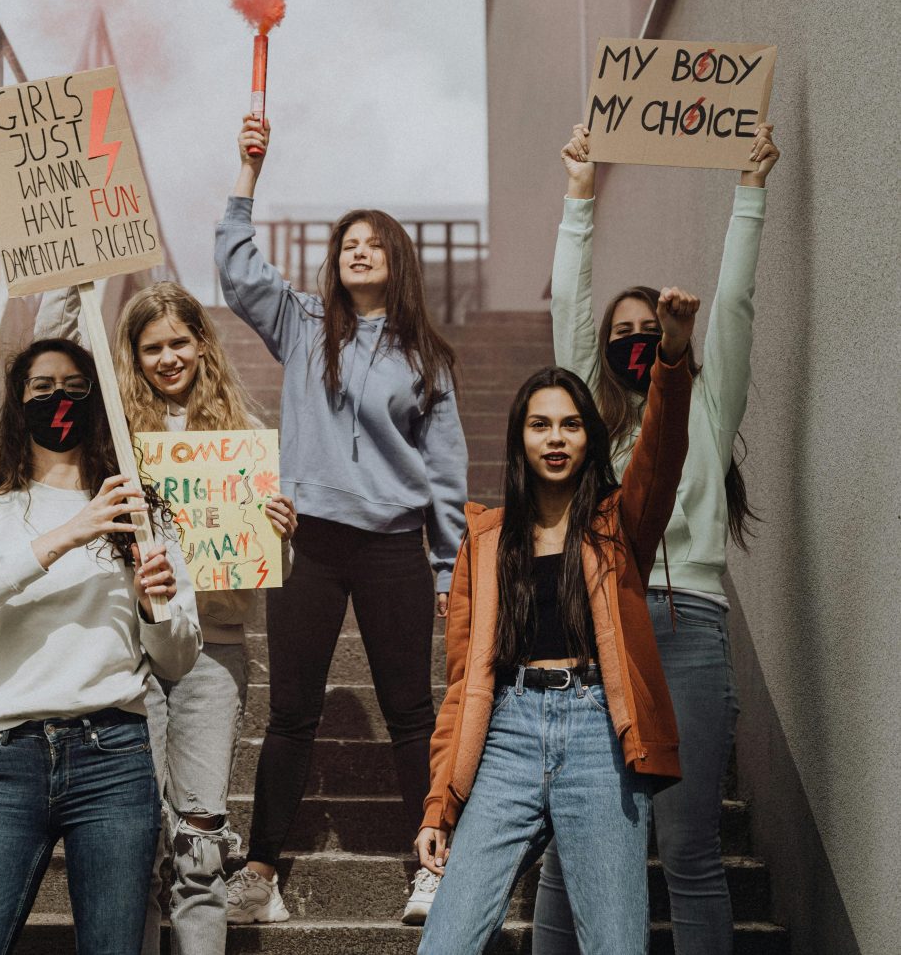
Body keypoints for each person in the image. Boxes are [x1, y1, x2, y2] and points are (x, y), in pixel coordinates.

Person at [216, 112, 469, 927]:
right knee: (291, 711)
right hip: (310, 545)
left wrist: (448, 566)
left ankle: (431, 866)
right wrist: (248, 173)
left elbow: (445, 472)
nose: (358, 251)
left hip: (394, 548)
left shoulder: (426, 357)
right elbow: (236, 270)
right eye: (348, 243)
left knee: (411, 713)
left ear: (397, 260)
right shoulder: (301, 324)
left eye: (374, 243)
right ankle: (261, 872)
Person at [533, 121, 779, 955]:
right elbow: (569, 313)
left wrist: (750, 190)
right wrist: (579, 196)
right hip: (599, 625)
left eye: (651, 327)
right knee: (572, 848)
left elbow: (736, 308)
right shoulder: (588, 420)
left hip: (691, 628)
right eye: (622, 332)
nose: (635, 339)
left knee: (688, 852)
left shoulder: (707, 404)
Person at [415, 287, 700, 955]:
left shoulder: (618, 525)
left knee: (614, 945)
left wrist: (672, 355)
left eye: (570, 425)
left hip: (599, 734)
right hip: (508, 736)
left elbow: (661, 454)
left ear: (589, 437)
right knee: (446, 941)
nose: (555, 438)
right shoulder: (486, 542)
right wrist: (438, 805)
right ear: (520, 438)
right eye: (540, 425)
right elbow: (461, 686)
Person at [36, 282, 297, 955]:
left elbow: (267, 566)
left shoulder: (242, 431)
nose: (168, 358)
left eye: (179, 342)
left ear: (202, 344)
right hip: (133, 651)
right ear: (133, 355)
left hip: (216, 652)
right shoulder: (111, 435)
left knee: (201, 843)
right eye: (151, 348)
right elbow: (55, 359)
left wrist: (280, 533)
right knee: (136, 839)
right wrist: (70, 286)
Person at [0, 335, 201, 955]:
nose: (59, 401)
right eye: (43, 388)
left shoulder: (138, 512)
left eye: (76, 389)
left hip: (114, 756)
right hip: (5, 757)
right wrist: (68, 534)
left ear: (97, 402)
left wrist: (150, 607)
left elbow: (178, 658)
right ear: (17, 401)